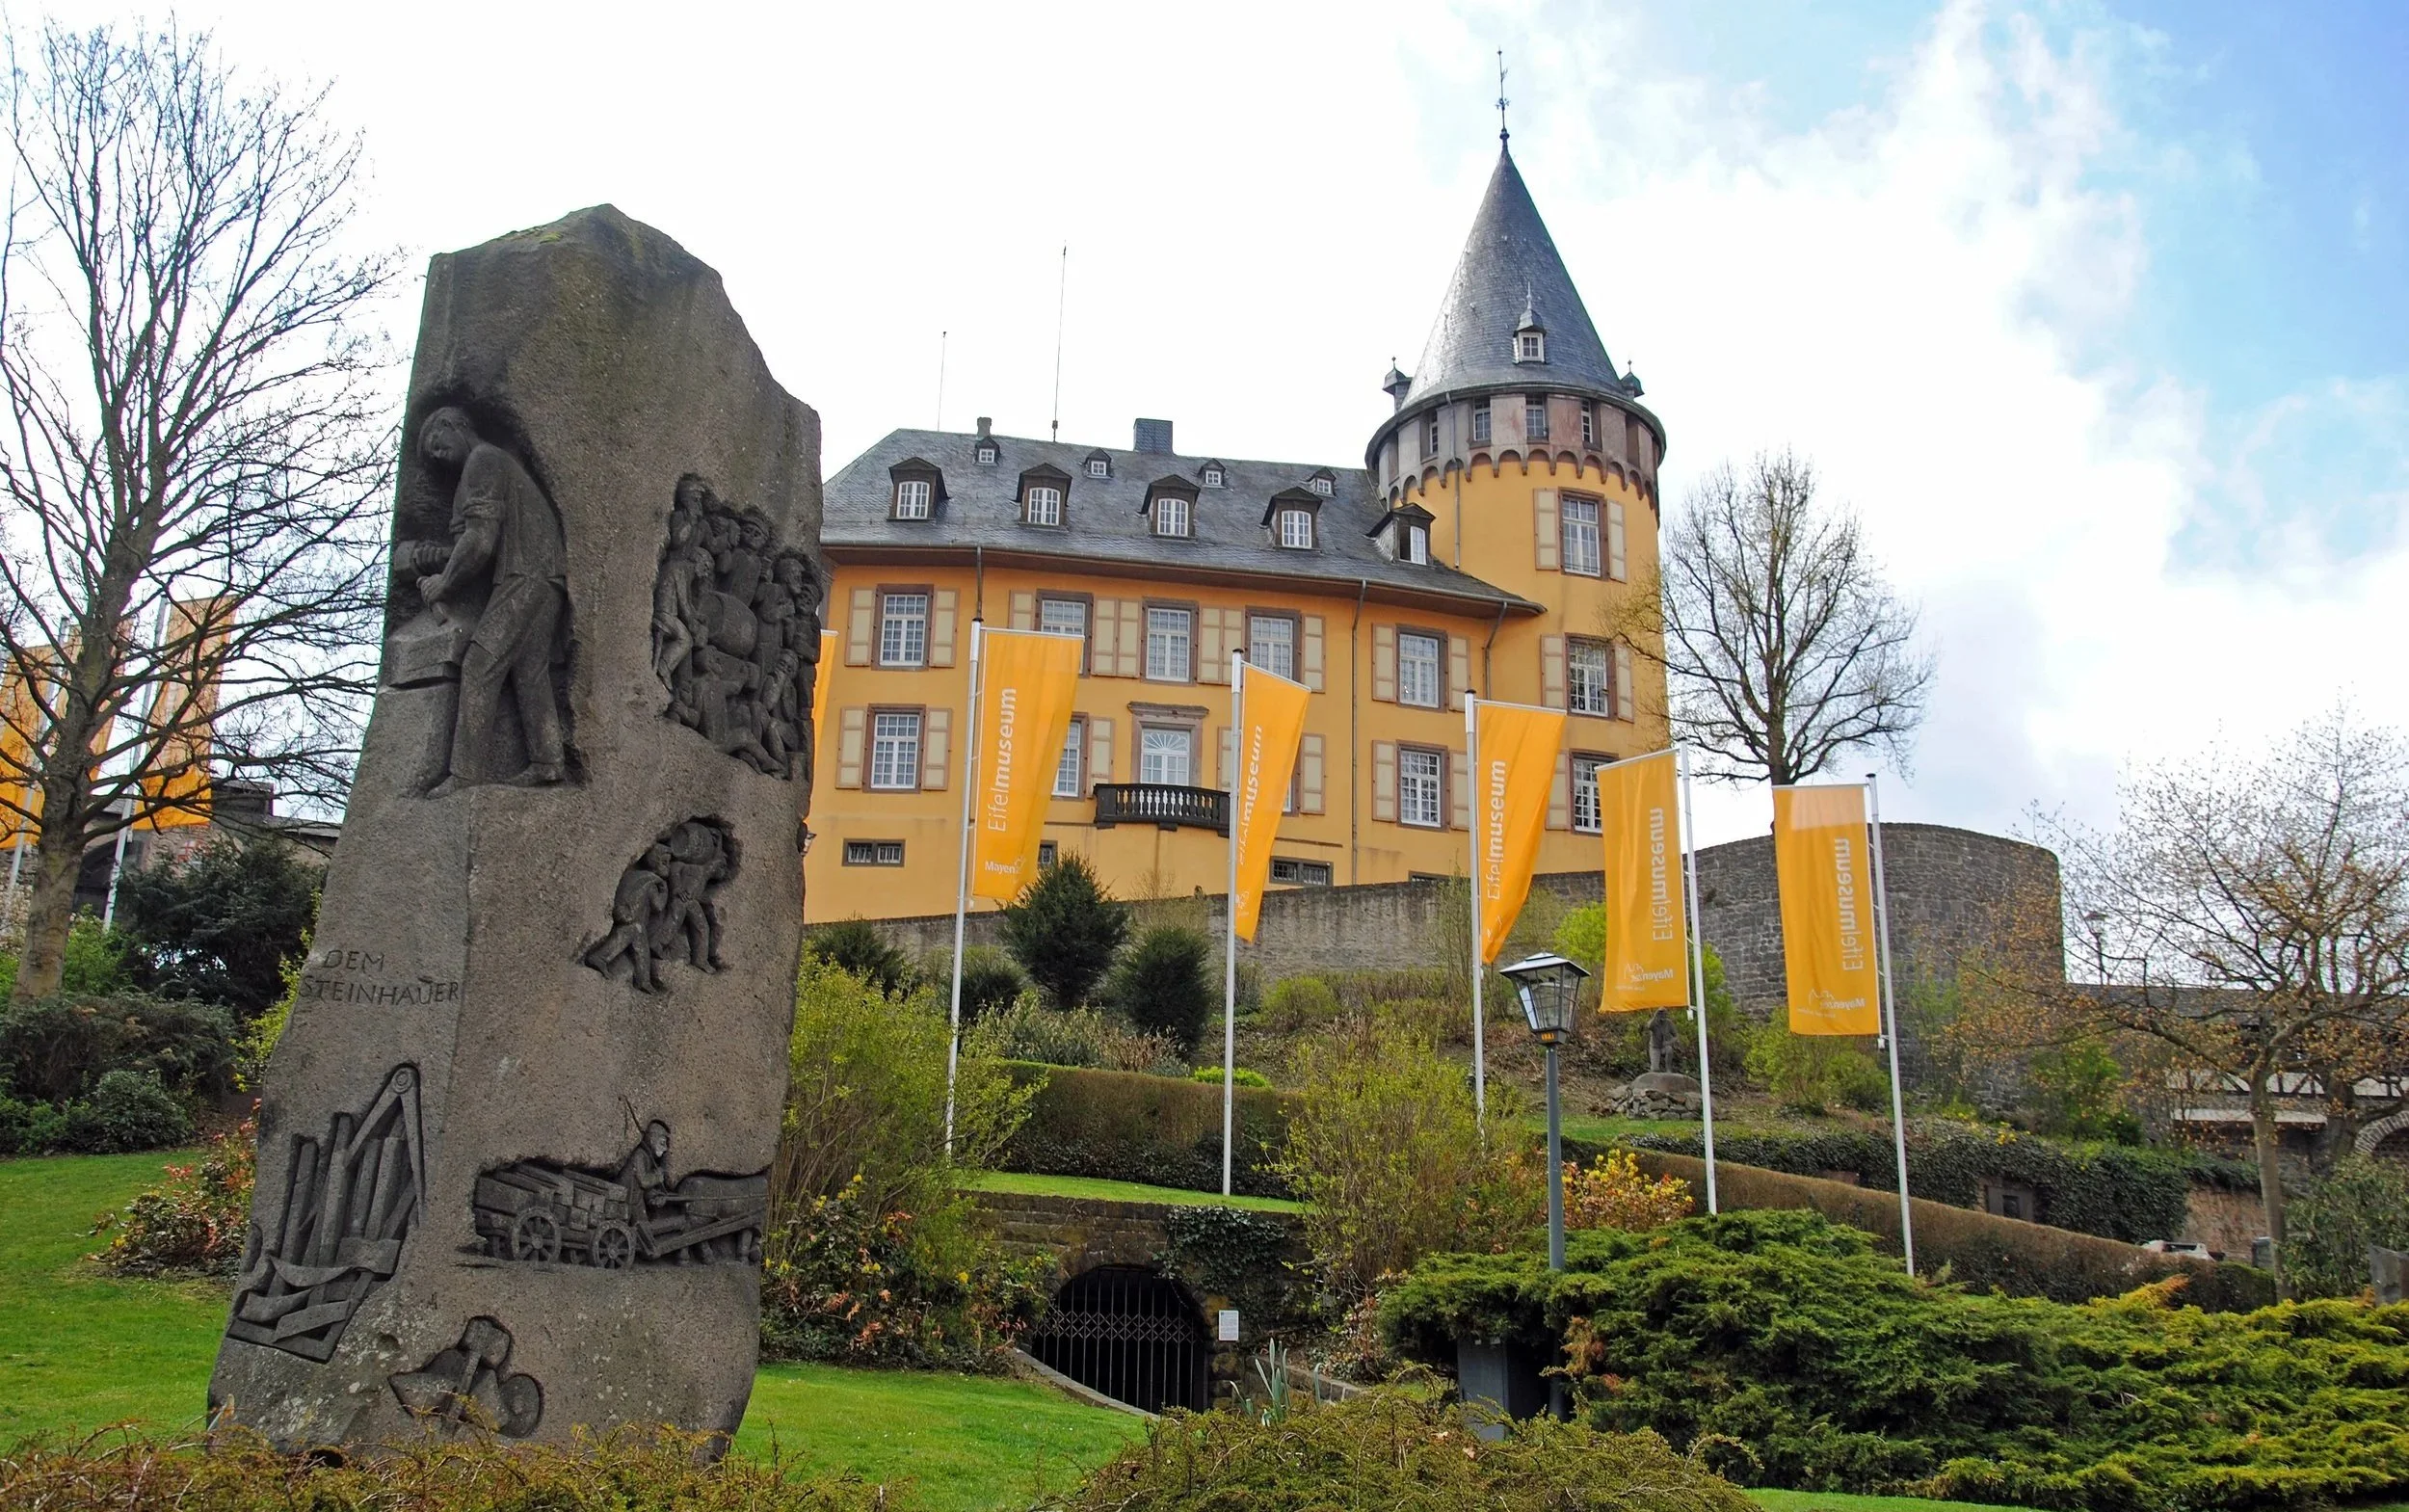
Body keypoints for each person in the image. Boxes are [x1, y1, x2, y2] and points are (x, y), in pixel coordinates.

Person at [413, 409, 569, 792]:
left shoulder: (483, 460)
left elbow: (480, 542)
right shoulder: (489, 466)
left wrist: (443, 586)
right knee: (530, 671)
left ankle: (466, 774)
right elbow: (471, 541)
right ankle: (548, 762)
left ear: (457, 425)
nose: (435, 454)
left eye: (437, 442)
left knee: (479, 665)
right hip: (544, 575)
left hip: (525, 574)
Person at [582, 843, 672, 992]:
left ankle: (643, 980)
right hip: (632, 921)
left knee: (641, 947)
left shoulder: (633, 875)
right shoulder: (652, 882)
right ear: (655, 862)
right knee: (638, 941)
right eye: (664, 862)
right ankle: (600, 957)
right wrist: (665, 891)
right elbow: (659, 906)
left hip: (627, 917)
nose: (668, 866)